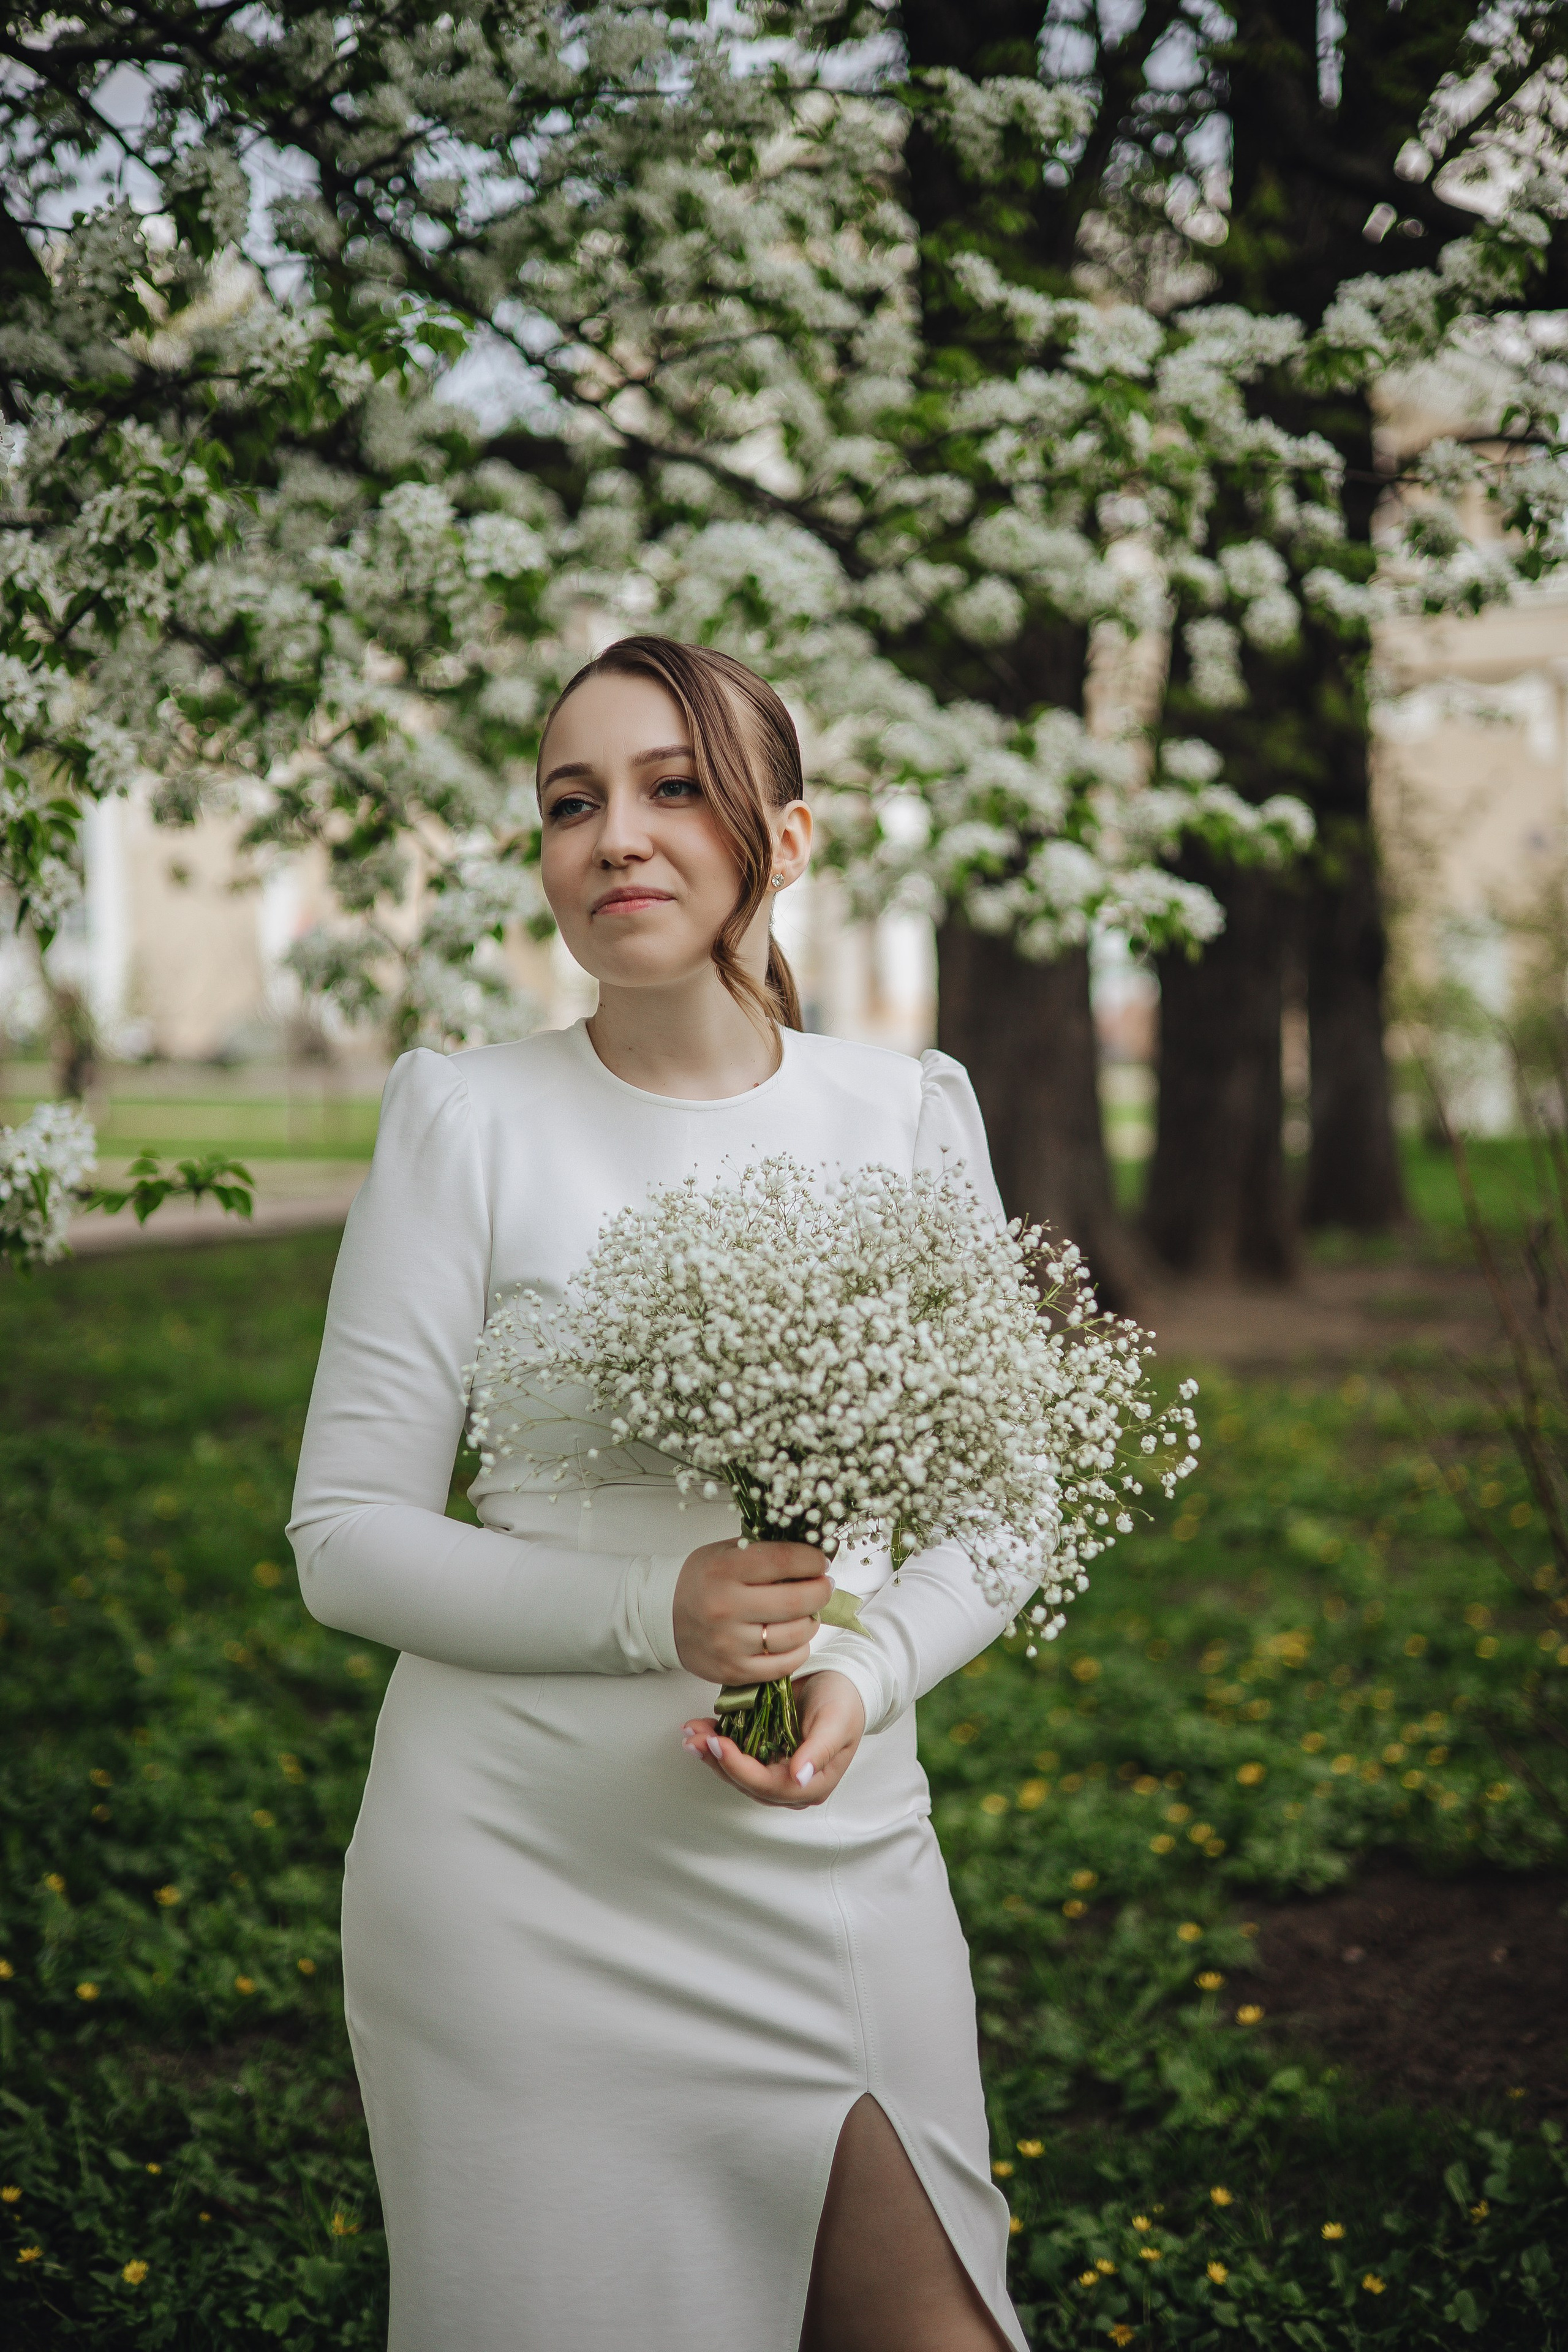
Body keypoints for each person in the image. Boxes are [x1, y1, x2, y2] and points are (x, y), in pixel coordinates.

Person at [288, 637, 1033, 2352]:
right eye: (571, 803)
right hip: (515, 1884)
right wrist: (656, 1611)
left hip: (833, 1863)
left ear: (788, 835)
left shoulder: (909, 1111)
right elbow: (345, 1538)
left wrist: (857, 1677)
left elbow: (1005, 1516)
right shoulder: (464, 1117)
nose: (614, 835)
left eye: (672, 785)